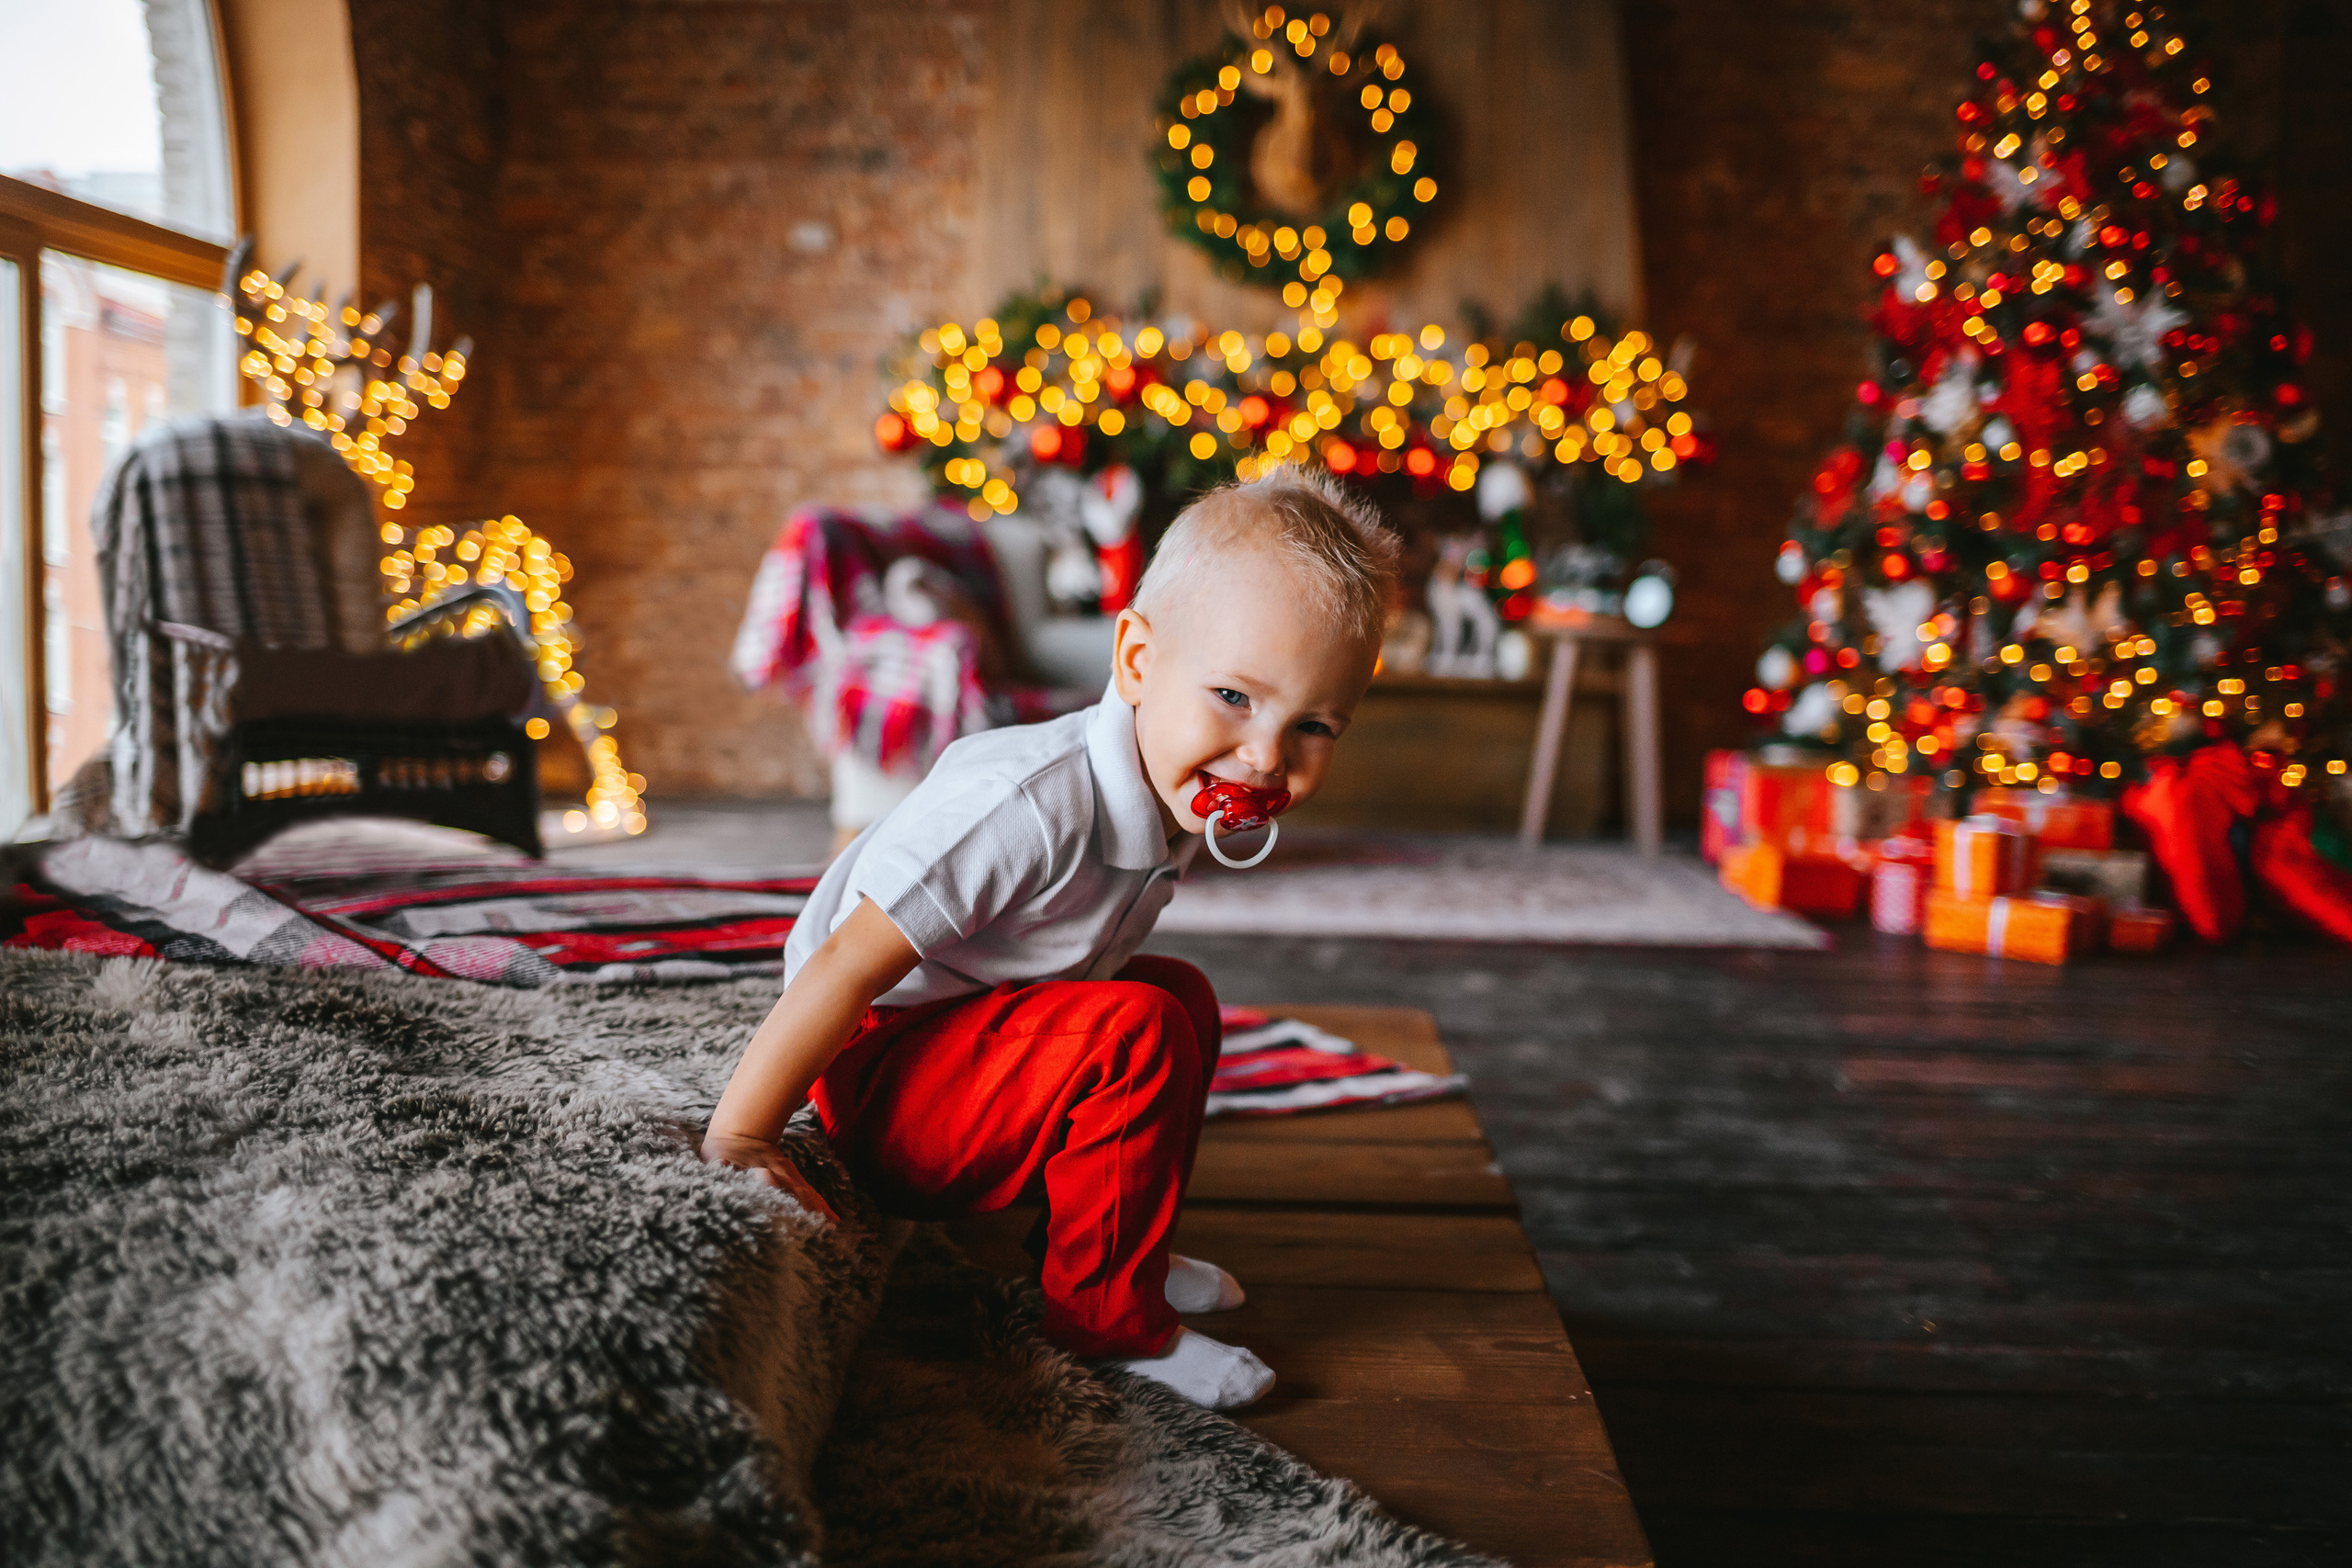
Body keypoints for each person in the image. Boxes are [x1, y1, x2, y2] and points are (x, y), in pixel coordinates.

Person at [704, 470, 1397, 1409]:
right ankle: (1107, 1324)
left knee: (1179, 995)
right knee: (1136, 1031)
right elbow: (844, 961)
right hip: (884, 1083)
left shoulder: (1169, 788)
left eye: (1313, 725)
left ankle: (1112, 1253)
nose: (1267, 757)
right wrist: (744, 1132)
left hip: (983, 1041)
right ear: (1139, 663)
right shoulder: (1023, 805)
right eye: (1234, 695)